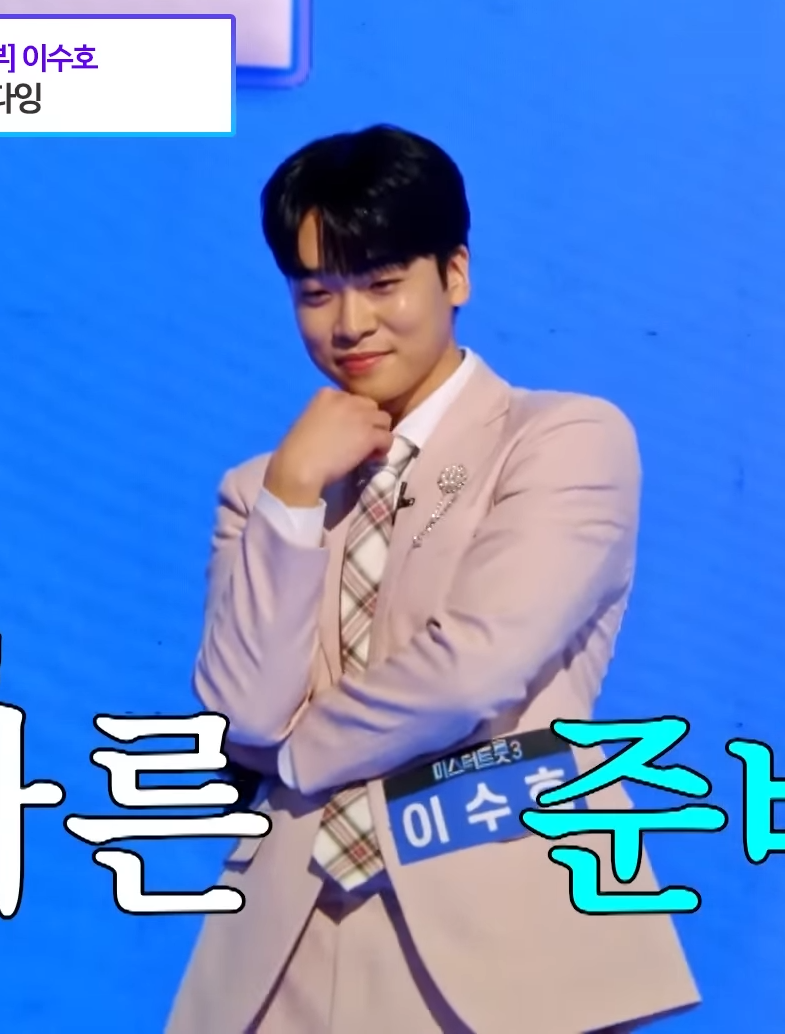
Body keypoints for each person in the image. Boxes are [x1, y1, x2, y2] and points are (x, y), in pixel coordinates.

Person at [166, 124, 700, 1034]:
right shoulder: (261, 488)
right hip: (284, 947)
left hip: (502, 932)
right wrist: (293, 495)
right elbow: (240, 715)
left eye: (382, 283)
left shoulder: (560, 438)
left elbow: (471, 669)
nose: (349, 324)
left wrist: (292, 761)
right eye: (315, 293)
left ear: (455, 274)